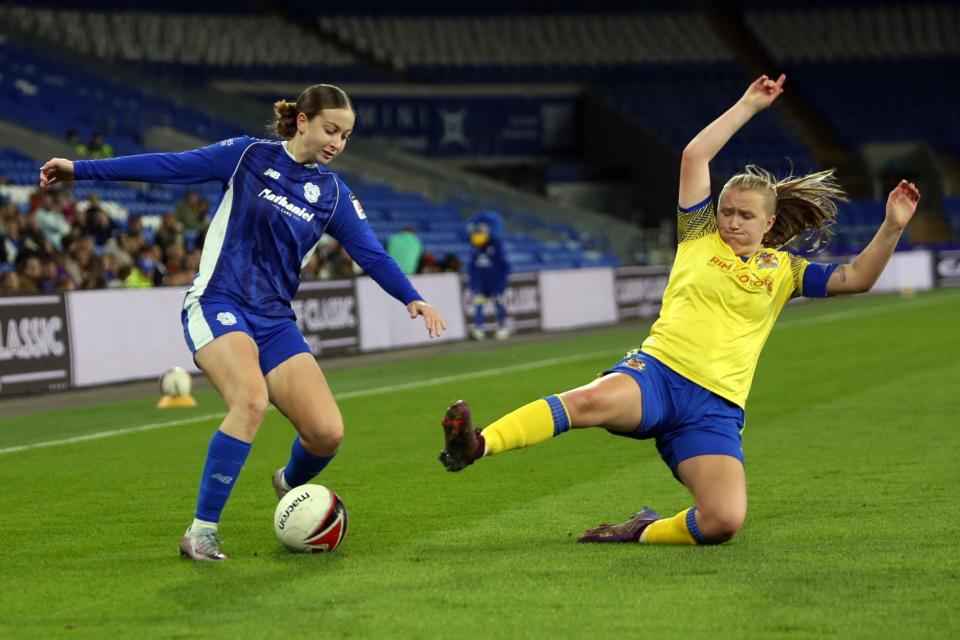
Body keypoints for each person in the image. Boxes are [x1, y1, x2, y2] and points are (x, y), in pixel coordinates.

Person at [438, 74, 921, 546]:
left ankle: (642, 529)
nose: (730, 221)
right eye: (726, 211)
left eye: (744, 215)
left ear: (768, 221)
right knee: (586, 401)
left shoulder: (785, 270)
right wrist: (749, 106)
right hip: (658, 376)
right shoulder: (697, 236)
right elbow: (696, 155)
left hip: (714, 411)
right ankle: (475, 445)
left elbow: (856, 278)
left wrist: (893, 226)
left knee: (723, 521)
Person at [40, 83, 448, 561]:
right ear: (303, 121)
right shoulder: (246, 156)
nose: (337, 143)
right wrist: (80, 169)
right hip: (217, 302)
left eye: (346, 136)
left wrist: (412, 298)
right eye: (330, 130)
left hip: (274, 319)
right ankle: (202, 530)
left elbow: (372, 254)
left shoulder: (333, 194)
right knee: (251, 401)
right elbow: (169, 166)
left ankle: (288, 483)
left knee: (327, 433)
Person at [466, 210, 511, 340]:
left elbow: (504, 267)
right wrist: (473, 284)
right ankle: (479, 329)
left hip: (495, 283)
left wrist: (501, 284)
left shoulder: (496, 247)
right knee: (479, 305)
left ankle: (502, 327)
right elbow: (471, 268)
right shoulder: (475, 249)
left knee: (498, 303)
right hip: (481, 284)